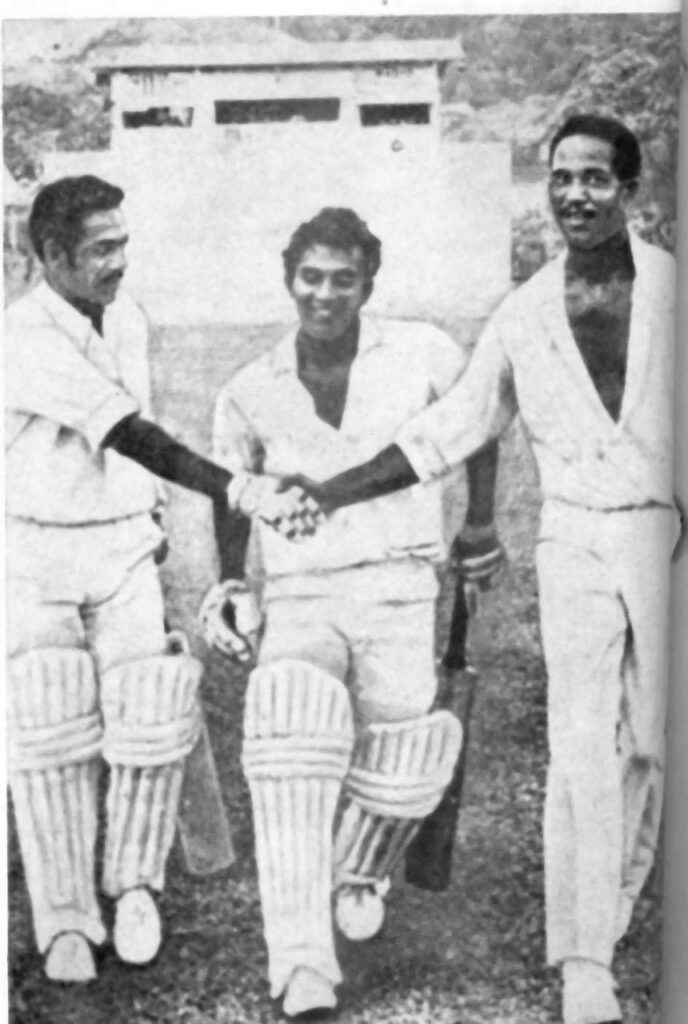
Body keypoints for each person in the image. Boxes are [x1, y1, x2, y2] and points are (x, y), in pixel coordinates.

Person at [290, 116, 678, 1024]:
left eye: (594, 178)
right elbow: (448, 429)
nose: (575, 195)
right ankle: (586, 958)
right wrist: (334, 488)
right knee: (581, 747)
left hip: (665, 535)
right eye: (560, 178)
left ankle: (613, 907)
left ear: (631, 190)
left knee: (653, 747)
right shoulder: (526, 311)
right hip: (575, 539)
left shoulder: (670, 288)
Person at [5, 175, 315, 984]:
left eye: (122, 243)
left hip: (120, 553)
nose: (119, 262)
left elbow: (125, 458)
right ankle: (67, 920)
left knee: (150, 714)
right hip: (34, 557)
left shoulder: (129, 321)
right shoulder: (21, 338)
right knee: (49, 730)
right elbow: (132, 433)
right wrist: (237, 487)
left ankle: (136, 886)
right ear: (49, 256)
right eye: (101, 249)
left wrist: (145, 520)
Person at [199, 206, 504, 1019]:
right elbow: (234, 493)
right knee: (290, 729)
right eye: (311, 277)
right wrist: (233, 582)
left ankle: (360, 866)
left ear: (369, 282)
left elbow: (477, 429)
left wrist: (479, 522)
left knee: (403, 763)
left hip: (402, 583)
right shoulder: (251, 384)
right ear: (288, 278)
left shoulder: (424, 352)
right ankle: (301, 959)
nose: (325, 294)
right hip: (300, 589)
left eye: (343, 279)